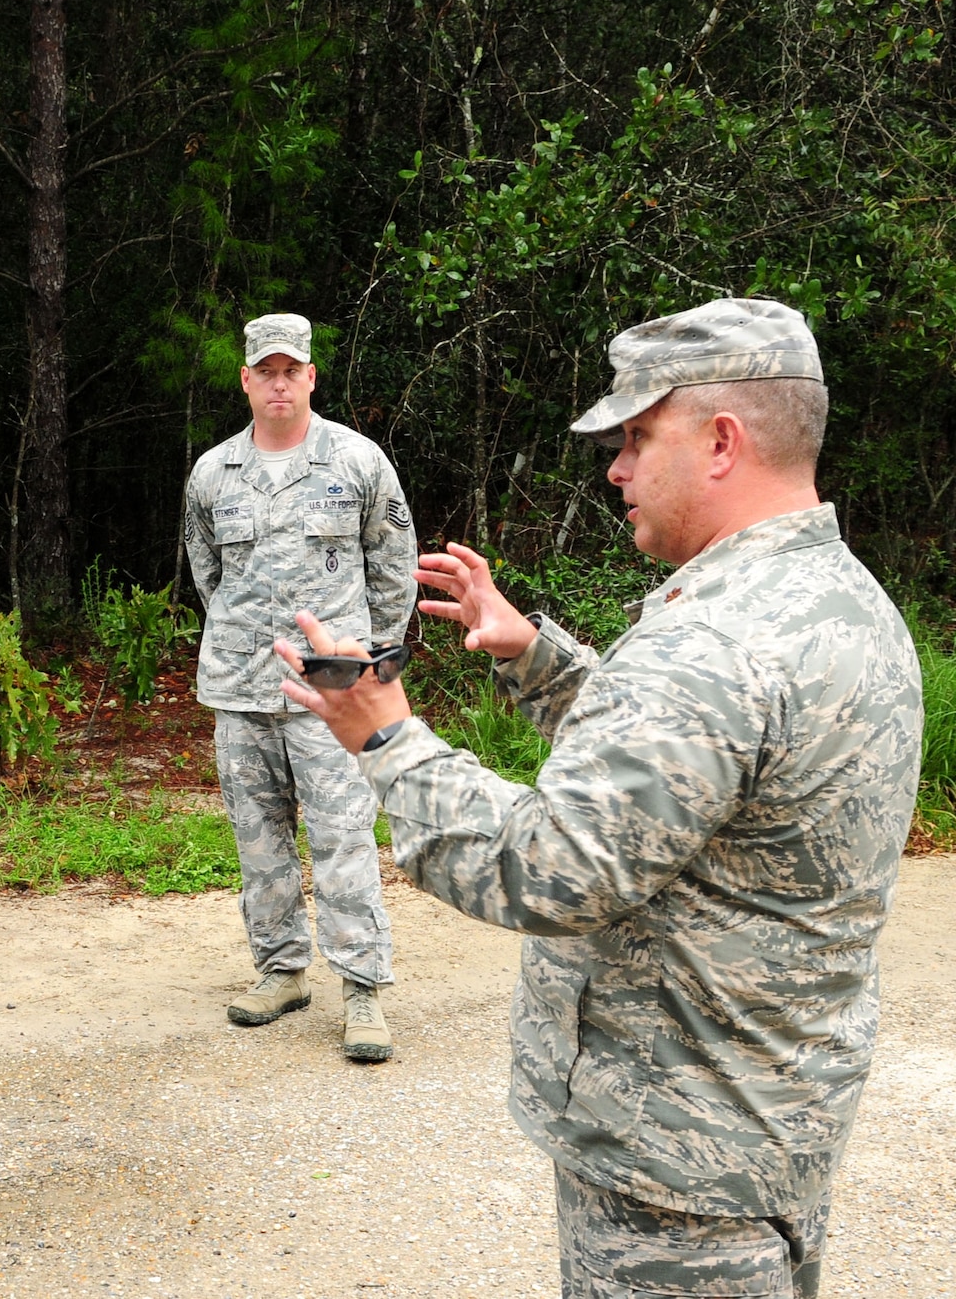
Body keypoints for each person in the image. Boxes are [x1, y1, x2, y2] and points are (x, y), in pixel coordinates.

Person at [275, 298, 921, 1297]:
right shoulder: (833, 600)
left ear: (719, 441)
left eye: (633, 436)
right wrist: (536, 661)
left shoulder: (709, 640)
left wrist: (384, 736)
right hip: (762, 1123)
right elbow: (692, 783)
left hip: (674, 1164)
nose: (614, 468)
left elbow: (553, 867)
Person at [182, 312, 417, 1061]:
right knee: (259, 840)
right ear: (247, 380)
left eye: (293, 370)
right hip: (242, 687)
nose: (280, 383)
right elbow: (208, 574)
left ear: (311, 377)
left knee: (344, 836)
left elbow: (393, 565)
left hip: (334, 691)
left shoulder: (356, 461)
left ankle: (361, 992)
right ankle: (281, 971)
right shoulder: (213, 473)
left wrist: (372, 661)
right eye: (266, 371)